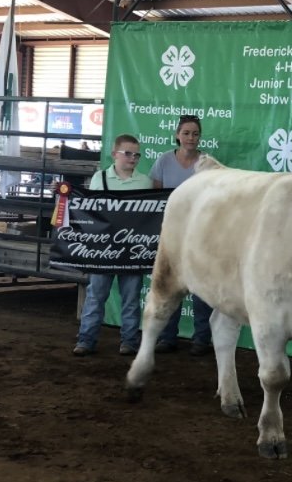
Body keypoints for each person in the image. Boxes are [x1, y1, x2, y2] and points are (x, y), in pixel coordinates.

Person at [73, 135, 154, 357]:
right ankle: (86, 339)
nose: (133, 158)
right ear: (114, 154)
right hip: (104, 249)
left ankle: (129, 341)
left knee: (130, 299)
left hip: (132, 249)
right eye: (128, 153)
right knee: (96, 295)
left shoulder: (145, 182)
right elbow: (89, 210)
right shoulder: (99, 178)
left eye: (136, 154)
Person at [150, 114, 214, 356]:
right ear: (177, 135)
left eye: (195, 133)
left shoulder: (207, 164)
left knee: (201, 290)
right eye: (186, 133)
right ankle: (167, 337)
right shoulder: (163, 161)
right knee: (171, 287)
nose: (191, 138)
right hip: (172, 236)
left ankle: (201, 339)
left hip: (200, 235)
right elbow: (155, 199)